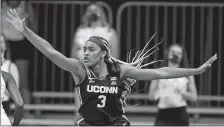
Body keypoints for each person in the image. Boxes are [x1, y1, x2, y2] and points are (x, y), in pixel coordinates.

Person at [6, 9, 217, 126]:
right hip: (89, 124)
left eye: (90, 50)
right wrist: (25, 30)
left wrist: (195, 71)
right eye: (84, 49)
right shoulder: (79, 69)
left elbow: (161, 73)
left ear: (103, 54)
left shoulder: (120, 70)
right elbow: (50, 51)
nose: (85, 53)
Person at [1, 0, 36, 116]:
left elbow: (34, 26)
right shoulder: (1, 4)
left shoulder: (26, 5)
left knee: (22, 80)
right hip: (4, 43)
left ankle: (26, 111)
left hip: (21, 44)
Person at [149, 43, 198, 126]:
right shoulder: (158, 73)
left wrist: (181, 92)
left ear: (182, 56)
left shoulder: (187, 74)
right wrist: (158, 93)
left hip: (180, 113)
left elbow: (194, 97)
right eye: (173, 51)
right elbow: (150, 96)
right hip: (163, 114)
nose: (175, 54)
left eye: (179, 53)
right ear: (167, 54)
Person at [1, 38, 24, 126]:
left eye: (2, 41)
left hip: (5, 104)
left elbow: (16, 94)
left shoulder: (11, 66)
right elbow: (20, 104)